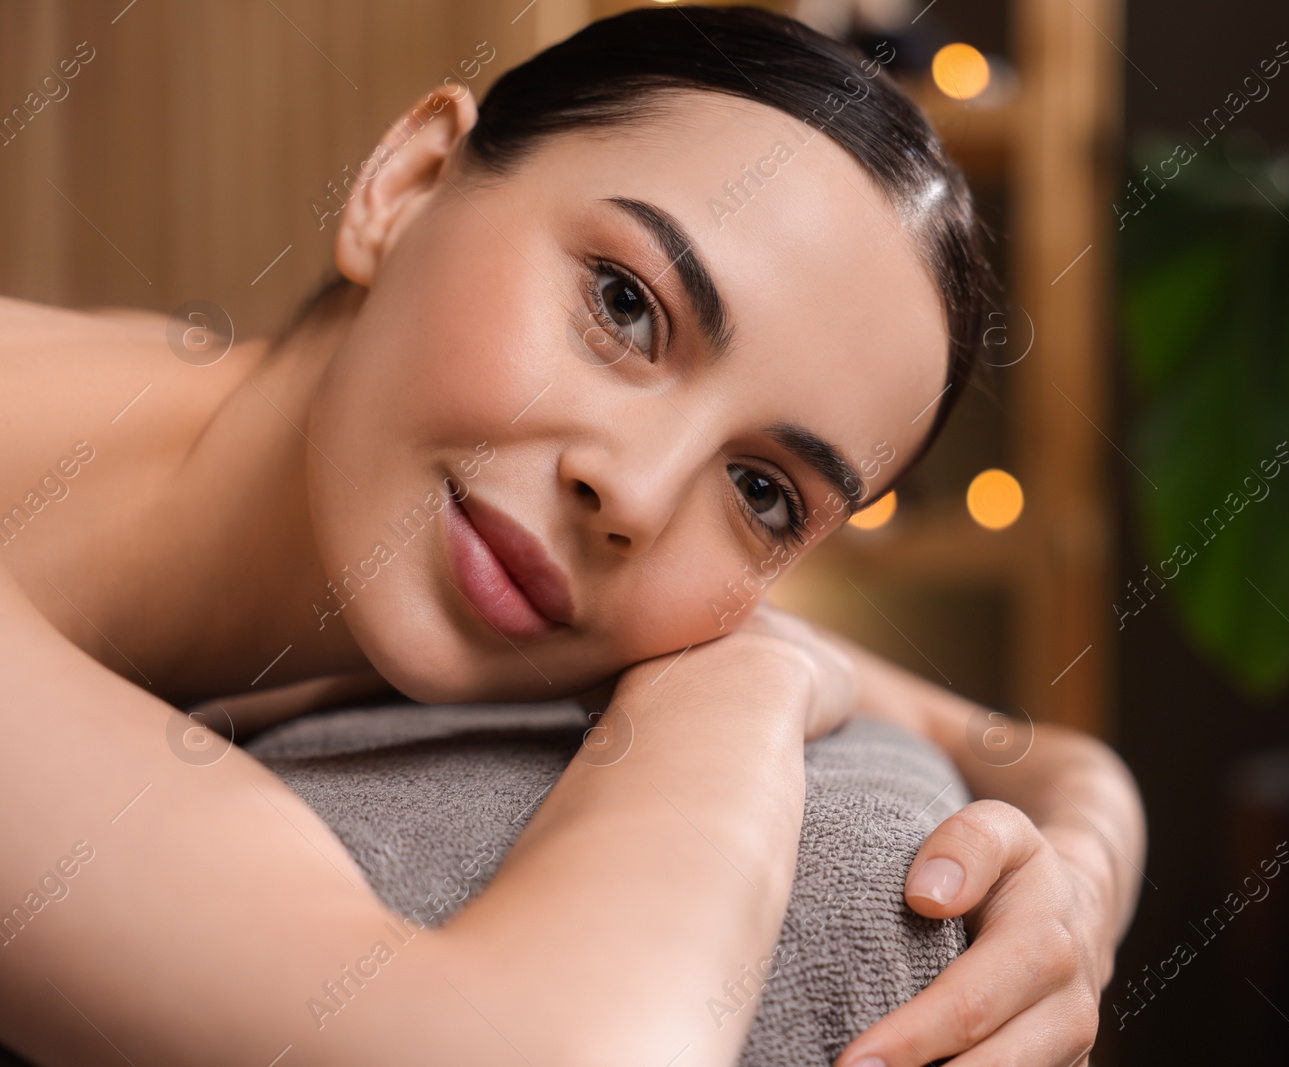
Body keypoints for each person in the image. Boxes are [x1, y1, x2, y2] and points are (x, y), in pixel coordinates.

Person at [0, 6, 1144, 1065]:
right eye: (626, 305)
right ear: (406, 183)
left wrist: (1078, 890)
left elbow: (1045, 756)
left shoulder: (493, 529)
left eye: (761, 492)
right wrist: (748, 684)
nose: (636, 494)